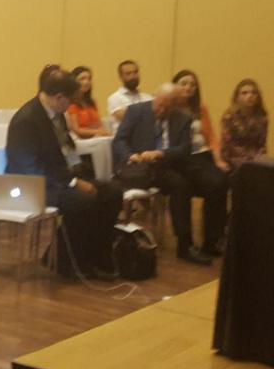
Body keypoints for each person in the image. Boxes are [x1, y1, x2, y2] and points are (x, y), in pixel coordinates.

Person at [6, 66, 123, 280]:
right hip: (30, 185)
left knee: (112, 191)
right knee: (83, 200)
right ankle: (68, 262)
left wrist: (80, 174)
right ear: (59, 97)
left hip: (58, 178)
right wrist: (73, 182)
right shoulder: (26, 120)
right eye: (70, 100)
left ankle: (97, 255)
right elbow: (29, 168)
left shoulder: (57, 114)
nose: (71, 105)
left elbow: (68, 150)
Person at [112, 84, 215, 265]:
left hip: (167, 163)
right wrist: (130, 155)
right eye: (158, 105)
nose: (160, 111)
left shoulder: (183, 118)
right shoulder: (136, 111)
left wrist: (161, 153)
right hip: (140, 167)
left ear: (175, 105)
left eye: (166, 108)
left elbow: (184, 149)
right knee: (180, 185)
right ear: (155, 98)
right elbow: (119, 140)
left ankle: (208, 242)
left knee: (209, 181)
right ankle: (185, 246)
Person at [172, 69, 230, 244]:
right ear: (174, 85)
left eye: (192, 84)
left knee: (224, 179)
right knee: (215, 183)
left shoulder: (200, 108)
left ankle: (213, 238)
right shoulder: (169, 108)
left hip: (203, 155)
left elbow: (210, 137)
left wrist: (218, 160)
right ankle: (211, 239)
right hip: (185, 157)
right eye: (184, 83)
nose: (188, 87)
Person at [220, 79, 269, 171]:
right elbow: (228, 146)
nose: (250, 96)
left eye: (254, 93)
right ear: (237, 97)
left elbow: (262, 144)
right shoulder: (229, 117)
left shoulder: (262, 117)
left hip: (256, 158)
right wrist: (249, 158)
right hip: (234, 159)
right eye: (244, 93)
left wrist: (259, 157)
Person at [66, 66, 111, 139]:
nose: (86, 82)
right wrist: (98, 132)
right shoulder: (71, 103)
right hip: (82, 140)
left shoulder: (91, 102)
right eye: (82, 79)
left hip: (97, 138)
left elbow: (99, 124)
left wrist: (103, 132)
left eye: (89, 79)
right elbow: (77, 130)